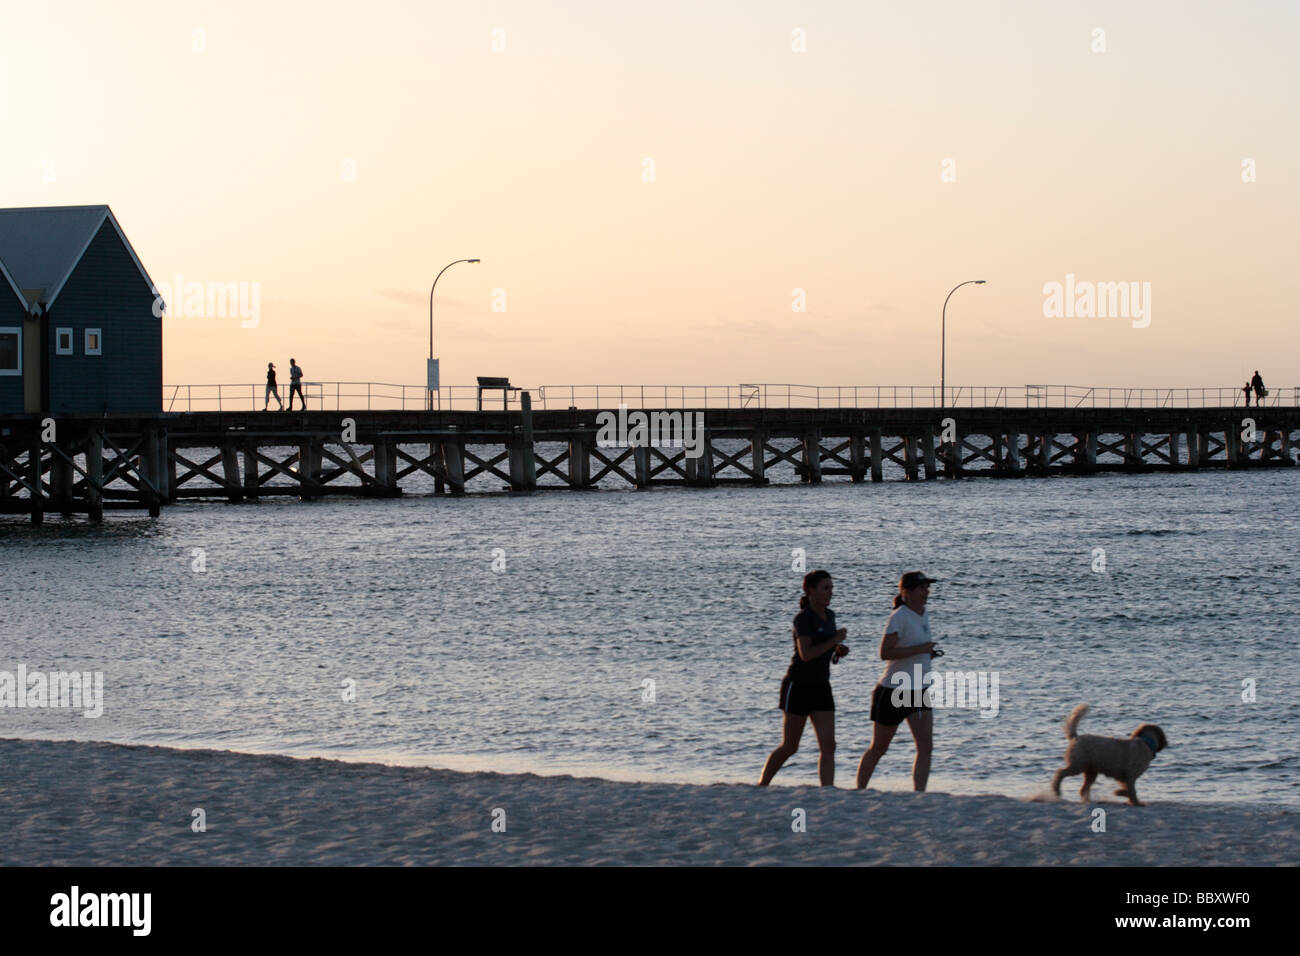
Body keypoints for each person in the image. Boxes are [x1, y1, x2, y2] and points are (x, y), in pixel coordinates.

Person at [758, 569, 849, 787]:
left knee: (829, 746)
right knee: (790, 745)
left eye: (831, 588)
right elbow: (805, 654)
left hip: (821, 686)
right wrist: (834, 640)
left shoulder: (830, 616)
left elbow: (825, 645)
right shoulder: (803, 619)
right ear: (810, 591)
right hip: (798, 686)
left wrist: (837, 649)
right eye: (825, 588)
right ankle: (763, 784)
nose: (830, 593)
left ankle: (827, 790)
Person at [855, 571, 940, 792]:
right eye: (921, 588)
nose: (926, 593)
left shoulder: (923, 613)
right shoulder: (899, 616)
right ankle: (859, 790)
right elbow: (885, 652)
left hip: (919, 690)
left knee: (926, 747)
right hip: (894, 690)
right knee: (880, 748)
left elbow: (914, 648)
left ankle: (919, 793)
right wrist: (920, 649)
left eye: (927, 588)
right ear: (906, 592)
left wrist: (926, 654)